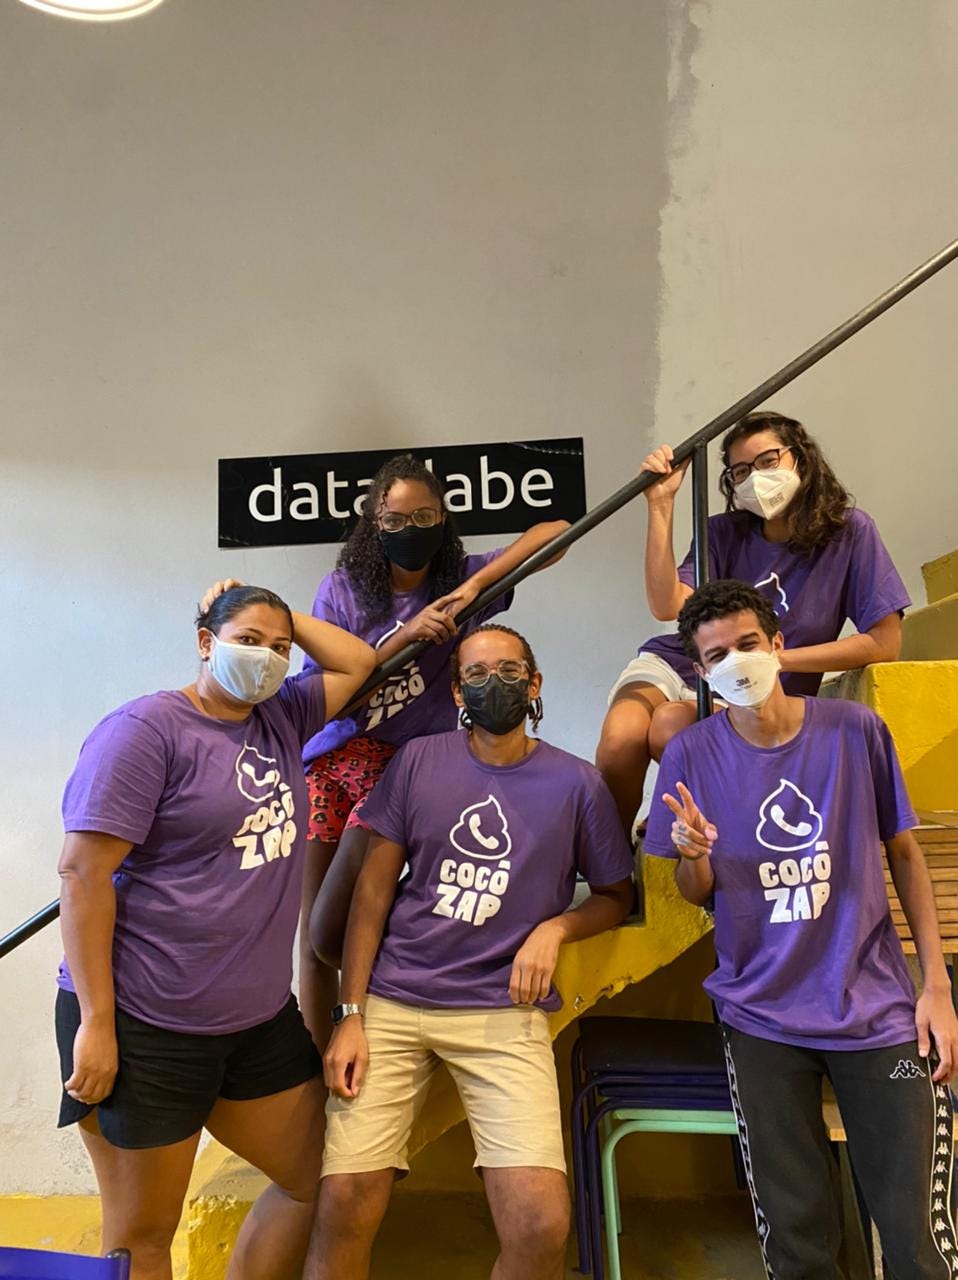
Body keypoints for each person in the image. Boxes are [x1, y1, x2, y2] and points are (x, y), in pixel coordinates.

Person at [55, 584, 376, 1280]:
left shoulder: (283, 715)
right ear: (206, 642)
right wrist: (96, 1023)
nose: (267, 657)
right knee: (143, 1235)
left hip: (255, 1022)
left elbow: (357, 664)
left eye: (280, 648)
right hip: (146, 1022)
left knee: (314, 1178)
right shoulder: (146, 732)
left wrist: (287, 613)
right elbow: (82, 877)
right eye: (249, 640)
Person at [644, 578, 958, 1280]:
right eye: (718, 654)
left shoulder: (853, 731)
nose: (738, 662)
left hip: (876, 1013)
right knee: (799, 1240)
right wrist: (693, 857)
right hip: (761, 1017)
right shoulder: (691, 754)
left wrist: (934, 986)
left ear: (779, 645)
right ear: (701, 671)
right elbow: (698, 892)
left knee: (917, 1240)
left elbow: (902, 851)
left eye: (749, 644)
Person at [302, 622, 635, 1280]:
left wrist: (556, 929)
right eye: (476, 674)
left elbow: (614, 894)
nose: (494, 684)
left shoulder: (578, 785)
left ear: (534, 684)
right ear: (457, 691)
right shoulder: (420, 761)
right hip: (393, 1001)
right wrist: (351, 1015)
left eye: (509, 671)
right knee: (343, 1202)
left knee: (541, 1223)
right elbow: (371, 898)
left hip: (501, 1011)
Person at [299, 453, 569, 1045]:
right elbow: (326, 694)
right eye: (393, 521)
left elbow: (556, 535)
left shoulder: (462, 582)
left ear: (445, 517)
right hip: (332, 757)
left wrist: (475, 588)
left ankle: (367, 1028)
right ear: (373, 524)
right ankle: (315, 1058)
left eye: (424, 516)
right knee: (312, 929)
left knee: (346, 921)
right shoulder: (343, 590)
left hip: (401, 769)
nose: (408, 530)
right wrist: (405, 635)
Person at [596, 410, 909, 834]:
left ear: (799, 457)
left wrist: (776, 662)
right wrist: (661, 505)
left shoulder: (850, 532)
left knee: (670, 725)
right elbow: (667, 606)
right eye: (740, 471)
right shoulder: (722, 532)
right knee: (620, 739)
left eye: (767, 461)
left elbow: (884, 643)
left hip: (758, 687)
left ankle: (702, 823)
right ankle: (612, 874)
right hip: (686, 662)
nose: (754, 479)